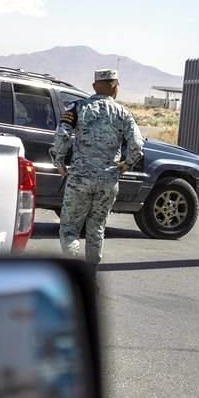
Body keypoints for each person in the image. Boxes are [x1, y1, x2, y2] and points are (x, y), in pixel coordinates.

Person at [50, 69, 143, 267]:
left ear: (94, 86)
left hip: (79, 180)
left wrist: (59, 162)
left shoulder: (77, 108)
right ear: (115, 87)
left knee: (69, 230)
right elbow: (137, 145)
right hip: (108, 181)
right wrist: (126, 165)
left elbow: (63, 135)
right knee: (96, 229)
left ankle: (75, 270)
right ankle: (91, 275)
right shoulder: (123, 113)